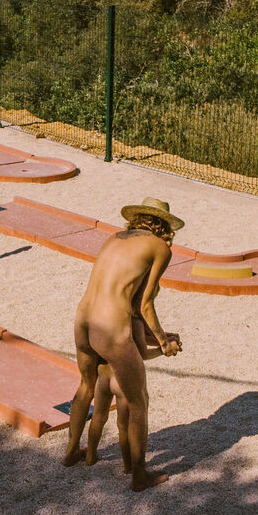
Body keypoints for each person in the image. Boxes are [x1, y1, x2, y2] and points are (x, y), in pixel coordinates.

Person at [64, 197, 183, 491]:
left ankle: (71, 452)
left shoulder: (114, 238)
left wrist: (158, 335)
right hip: (110, 325)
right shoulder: (160, 247)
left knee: (85, 385)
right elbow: (145, 304)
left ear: (137, 219)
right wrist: (163, 342)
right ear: (164, 225)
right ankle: (139, 474)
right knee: (138, 400)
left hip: (84, 318)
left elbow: (126, 295)